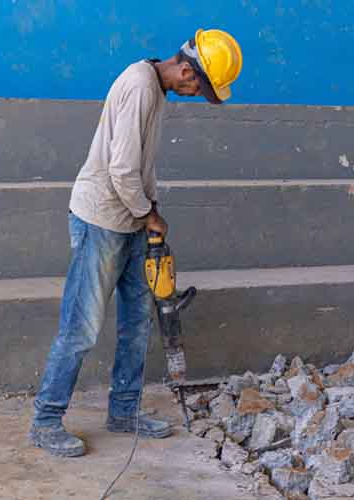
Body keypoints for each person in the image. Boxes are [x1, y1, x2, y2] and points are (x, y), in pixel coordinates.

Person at [29, 29, 243, 457]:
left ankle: (124, 411)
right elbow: (122, 170)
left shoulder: (155, 88)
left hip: (129, 219)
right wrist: (151, 215)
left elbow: (139, 169)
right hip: (102, 219)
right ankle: (46, 421)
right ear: (186, 70)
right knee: (81, 326)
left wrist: (148, 214)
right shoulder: (140, 86)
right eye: (196, 86)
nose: (194, 93)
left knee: (137, 322)